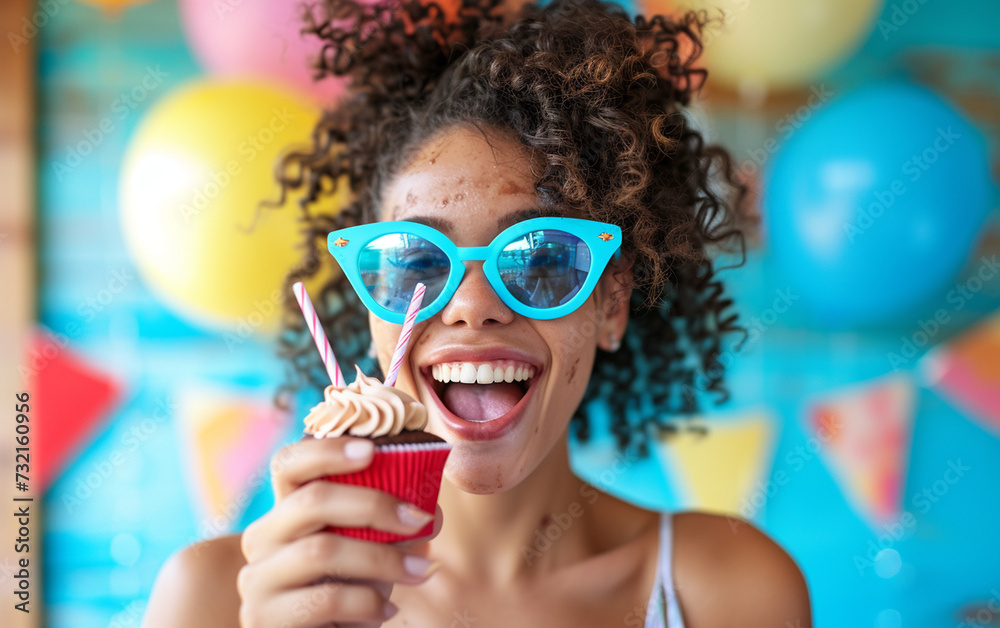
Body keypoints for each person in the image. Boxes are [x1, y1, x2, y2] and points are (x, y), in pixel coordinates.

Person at [144, 0, 811, 625]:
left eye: (543, 257)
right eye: (416, 259)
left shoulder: (729, 590)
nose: (471, 306)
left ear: (612, 303)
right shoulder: (212, 601)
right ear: (372, 306)